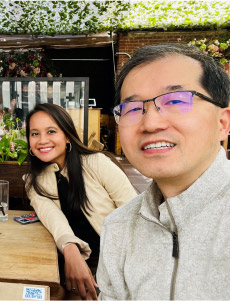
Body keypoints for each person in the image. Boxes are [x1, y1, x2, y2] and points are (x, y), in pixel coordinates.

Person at [96, 43, 230, 299]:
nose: (151, 123)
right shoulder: (119, 227)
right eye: (133, 109)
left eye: (176, 101)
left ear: (222, 123)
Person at [24, 103, 137, 300]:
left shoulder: (97, 163)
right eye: (34, 134)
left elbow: (134, 213)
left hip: (113, 262)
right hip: (65, 260)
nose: (42, 140)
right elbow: (54, 219)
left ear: (67, 136)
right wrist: (71, 251)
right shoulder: (34, 182)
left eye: (51, 131)